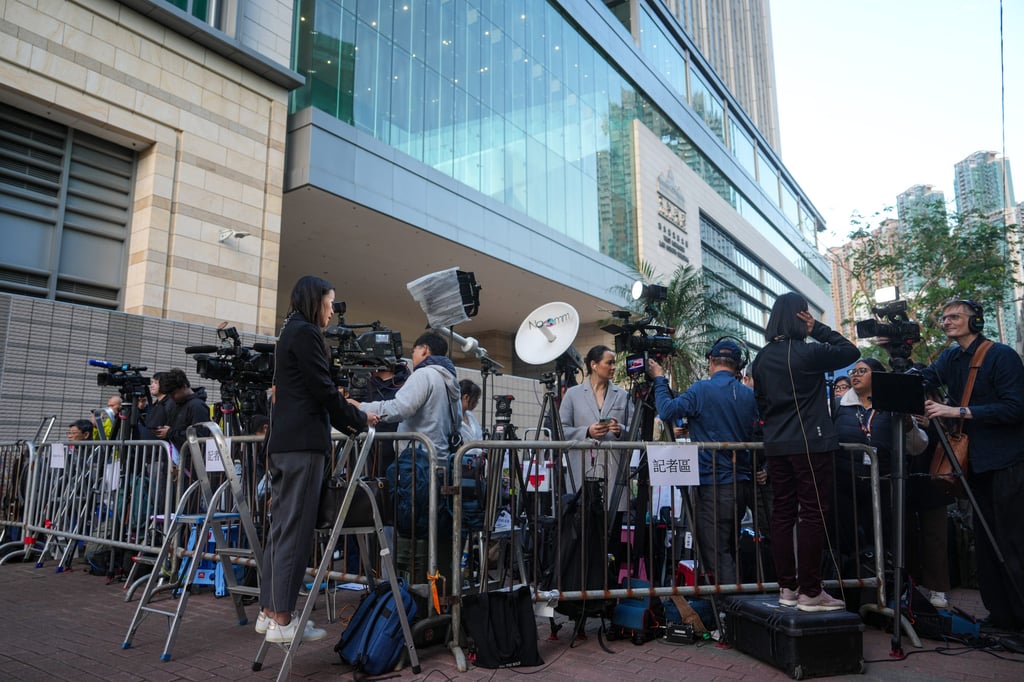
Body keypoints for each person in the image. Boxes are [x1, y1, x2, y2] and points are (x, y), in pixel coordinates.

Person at [257, 275, 379, 645]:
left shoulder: (289, 332)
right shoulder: (306, 333)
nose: (331, 312)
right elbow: (322, 389)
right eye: (329, 303)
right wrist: (358, 420)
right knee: (294, 532)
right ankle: (281, 617)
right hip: (301, 447)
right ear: (315, 302)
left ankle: (270, 612)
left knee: (281, 530)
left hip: (285, 444)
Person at [750, 292, 859, 612]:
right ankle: (811, 592)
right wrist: (817, 330)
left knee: (782, 513)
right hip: (810, 443)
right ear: (801, 317)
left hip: (777, 445)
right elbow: (851, 351)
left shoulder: (761, 358)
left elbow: (761, 403)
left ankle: (787, 588)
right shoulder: (809, 353)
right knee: (812, 513)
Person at [920, 299, 1024, 631]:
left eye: (955, 317)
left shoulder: (1000, 355)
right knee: (985, 540)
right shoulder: (950, 357)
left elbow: (1015, 408)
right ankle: (1001, 615)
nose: (947, 322)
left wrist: (957, 412)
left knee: (1013, 540)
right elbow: (922, 379)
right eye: (944, 317)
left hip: (1007, 460)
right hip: (974, 464)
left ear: (975, 321)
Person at [648, 339, 759, 585]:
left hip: (713, 487)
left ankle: (730, 612)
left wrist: (659, 378)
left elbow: (666, 410)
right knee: (729, 547)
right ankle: (733, 609)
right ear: (738, 365)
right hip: (740, 484)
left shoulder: (701, 390)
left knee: (717, 554)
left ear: (710, 361)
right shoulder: (749, 395)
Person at [355, 331, 462, 584]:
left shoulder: (425, 374)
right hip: (439, 466)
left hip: (417, 468)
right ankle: (436, 593)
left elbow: (399, 408)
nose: (412, 358)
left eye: (413, 352)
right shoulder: (451, 381)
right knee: (434, 534)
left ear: (424, 350)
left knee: (411, 533)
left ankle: (410, 591)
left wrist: (359, 407)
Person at [831, 358, 928, 582]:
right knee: (847, 539)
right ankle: (850, 586)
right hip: (845, 485)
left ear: (878, 376)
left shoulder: (894, 405)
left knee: (884, 537)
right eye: (853, 371)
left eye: (862, 371)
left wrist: (908, 423)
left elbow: (917, 446)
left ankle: (885, 586)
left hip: (882, 485)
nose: (855, 375)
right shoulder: (837, 405)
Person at [559, 344, 630, 509]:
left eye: (614, 363)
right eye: (609, 363)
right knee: (583, 526)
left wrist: (620, 430)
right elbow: (561, 430)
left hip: (614, 474)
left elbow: (636, 430)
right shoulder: (572, 394)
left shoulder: (623, 395)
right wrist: (587, 431)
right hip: (581, 471)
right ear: (594, 365)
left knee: (612, 526)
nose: (613, 367)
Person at [153, 368, 210, 460]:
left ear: (184, 386)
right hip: (177, 459)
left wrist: (170, 432)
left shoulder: (197, 406)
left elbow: (200, 435)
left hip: (191, 462)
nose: (171, 397)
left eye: (173, 393)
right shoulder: (176, 404)